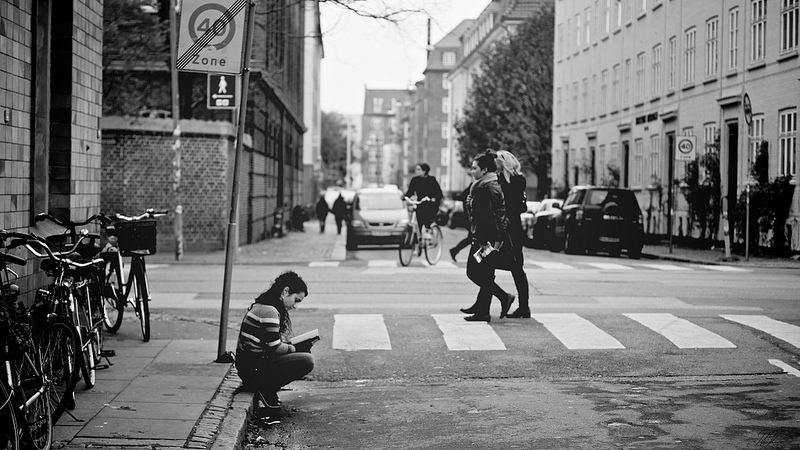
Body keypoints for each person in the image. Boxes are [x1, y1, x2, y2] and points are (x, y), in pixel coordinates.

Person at [235, 271, 314, 413]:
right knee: (307, 360)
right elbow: (275, 348)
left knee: (302, 355)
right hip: (254, 370)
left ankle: (265, 386)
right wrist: (297, 348)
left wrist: (292, 346)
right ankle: (265, 387)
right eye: (296, 300)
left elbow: (271, 344)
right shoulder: (269, 311)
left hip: (250, 366)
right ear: (286, 291)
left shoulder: (266, 306)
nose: (296, 306)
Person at [461, 151, 515, 322]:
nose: (472, 171)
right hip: (484, 238)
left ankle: (503, 297)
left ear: (484, 170)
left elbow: (496, 215)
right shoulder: (483, 185)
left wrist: (490, 241)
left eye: (474, 168)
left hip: (488, 240)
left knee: (474, 271)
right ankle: (482, 310)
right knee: (484, 273)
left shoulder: (489, 186)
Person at [494, 150, 532, 319]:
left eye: (496, 160)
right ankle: (521, 306)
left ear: (502, 163)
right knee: (512, 269)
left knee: (516, 269)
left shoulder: (511, 181)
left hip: (510, 231)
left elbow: (520, 207)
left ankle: (523, 306)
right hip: (507, 229)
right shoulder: (510, 180)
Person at [405, 163, 443, 238]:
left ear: (424, 171)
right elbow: (410, 192)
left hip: (431, 204)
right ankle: (418, 239)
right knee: (418, 221)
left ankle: (429, 232)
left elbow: (438, 193)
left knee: (427, 220)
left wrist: (433, 199)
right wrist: (405, 197)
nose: (416, 171)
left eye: (418, 169)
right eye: (416, 169)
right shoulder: (415, 180)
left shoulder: (431, 180)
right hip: (420, 203)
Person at [449, 183, 472, 262]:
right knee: (472, 238)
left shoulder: (471, 187)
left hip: (469, 218)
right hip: (471, 219)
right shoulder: (474, 186)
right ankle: (455, 250)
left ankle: (455, 250)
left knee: (471, 239)